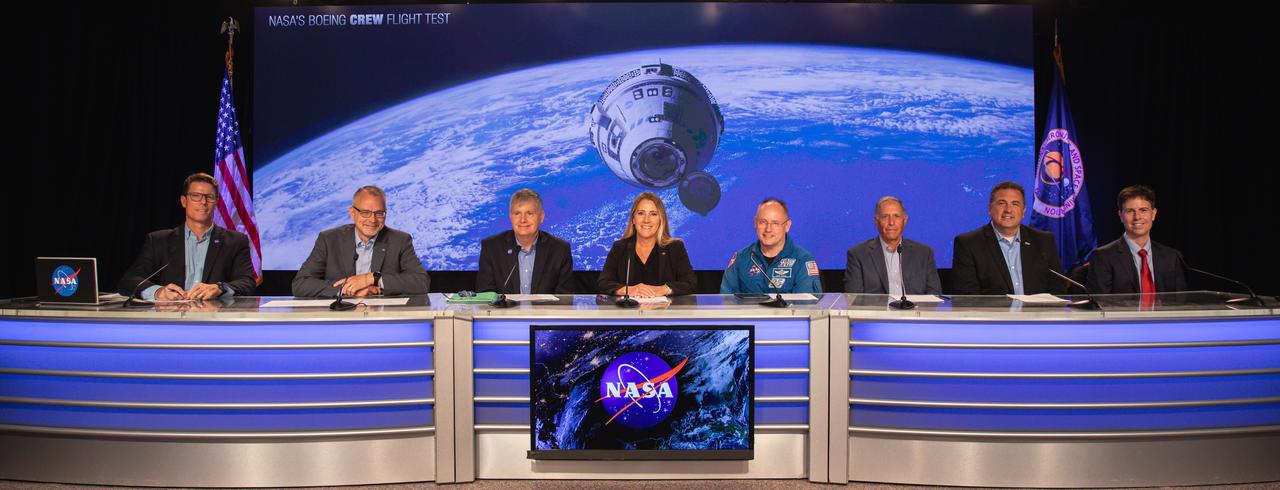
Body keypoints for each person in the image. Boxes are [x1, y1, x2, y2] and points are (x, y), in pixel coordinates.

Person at [118, 173, 256, 300]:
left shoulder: (235, 241)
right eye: (196, 196)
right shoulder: (158, 241)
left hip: (214, 315)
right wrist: (158, 292)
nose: (203, 202)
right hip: (170, 316)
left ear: (216, 203)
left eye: (209, 197)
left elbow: (247, 282)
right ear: (184, 201)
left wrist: (220, 288)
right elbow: (129, 281)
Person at [291, 185, 430, 297]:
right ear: (353, 213)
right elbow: (301, 284)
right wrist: (347, 289)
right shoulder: (329, 240)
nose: (372, 220)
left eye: (379, 213)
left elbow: (421, 282)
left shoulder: (399, 240)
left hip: (383, 316)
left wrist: (372, 279)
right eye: (365, 213)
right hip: (340, 316)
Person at [951, 182, 1066, 295]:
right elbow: (967, 295)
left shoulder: (1043, 241)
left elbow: (1058, 288)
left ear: (1023, 211)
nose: (1008, 210)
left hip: (1038, 308)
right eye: (1002, 203)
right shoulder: (968, 243)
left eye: (1015, 204)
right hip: (992, 309)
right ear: (990, 208)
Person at [1086, 185, 1187, 294]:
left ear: (1153, 214)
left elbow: (1180, 300)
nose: (1137, 217)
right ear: (1121, 216)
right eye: (1130, 211)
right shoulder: (1102, 257)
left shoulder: (1172, 257)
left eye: (1143, 210)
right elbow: (1100, 302)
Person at [597, 192, 696, 297]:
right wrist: (628, 290)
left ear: (661, 219)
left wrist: (663, 289)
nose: (646, 220)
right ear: (633, 219)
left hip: (665, 308)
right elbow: (603, 283)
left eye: (653, 214)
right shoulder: (620, 247)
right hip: (629, 308)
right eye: (641, 213)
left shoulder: (675, 247)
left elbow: (690, 283)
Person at [476, 189, 574, 294]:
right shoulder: (491, 248)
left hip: (546, 306)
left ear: (541, 217)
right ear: (510, 217)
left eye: (529, 213)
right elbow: (485, 294)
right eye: (517, 213)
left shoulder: (560, 250)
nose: (523, 220)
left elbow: (565, 297)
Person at [721, 198, 823, 294]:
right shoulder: (741, 259)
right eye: (763, 222)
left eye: (775, 223)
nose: (768, 229)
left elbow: (807, 303)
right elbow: (726, 299)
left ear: (787, 226)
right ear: (755, 223)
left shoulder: (803, 260)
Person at [844, 196, 942, 295]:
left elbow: (935, 294)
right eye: (885, 217)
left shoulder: (924, 253)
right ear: (876, 221)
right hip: (877, 306)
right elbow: (854, 298)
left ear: (905, 220)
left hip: (915, 306)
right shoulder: (858, 255)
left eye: (897, 216)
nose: (891, 222)